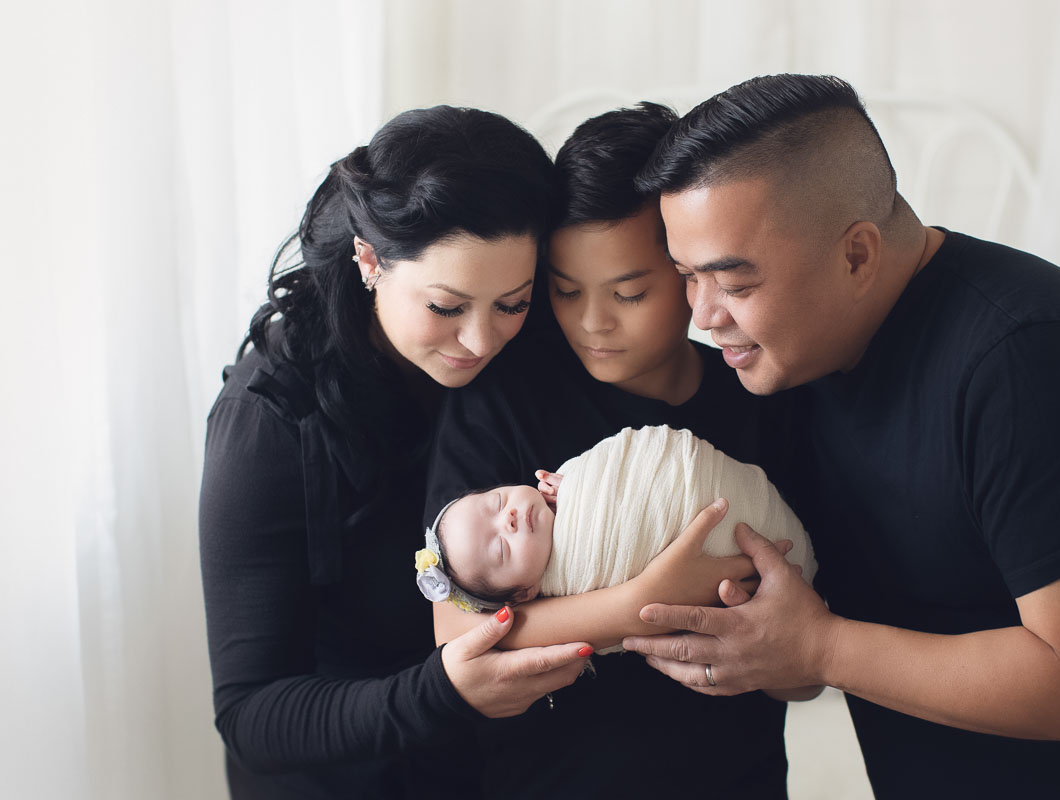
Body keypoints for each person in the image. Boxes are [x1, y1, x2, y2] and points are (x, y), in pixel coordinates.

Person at [618, 74, 1060, 798]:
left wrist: (821, 647)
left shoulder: (1035, 360)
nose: (705, 316)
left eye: (733, 283)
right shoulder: (796, 359)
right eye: (686, 278)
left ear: (857, 255)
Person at [197, 106, 600, 799]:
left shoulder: (528, 350)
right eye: (445, 308)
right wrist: (441, 690)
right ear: (369, 260)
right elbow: (250, 714)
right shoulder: (271, 422)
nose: (479, 341)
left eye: (511, 302)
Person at [425, 103, 800, 798]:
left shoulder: (758, 396)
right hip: (549, 776)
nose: (593, 322)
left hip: (729, 772)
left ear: (690, 272)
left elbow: (805, 660)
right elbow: (456, 628)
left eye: (629, 292)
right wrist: (641, 604)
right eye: (565, 292)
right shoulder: (505, 398)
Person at [419, 425, 815, 614]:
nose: (507, 518)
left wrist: (576, 487)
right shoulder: (570, 590)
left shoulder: (564, 481)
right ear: (524, 593)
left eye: (496, 501)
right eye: (501, 548)